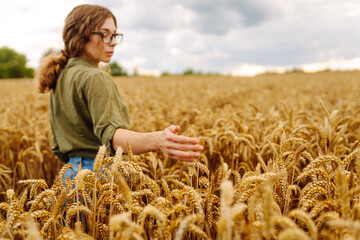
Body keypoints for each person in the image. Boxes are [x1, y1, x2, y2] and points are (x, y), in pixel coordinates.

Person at [35, 4, 203, 178]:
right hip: (98, 175)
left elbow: (58, 143)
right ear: (81, 36)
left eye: (114, 35)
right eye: (105, 34)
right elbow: (114, 137)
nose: (113, 41)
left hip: (69, 175)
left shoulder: (60, 75)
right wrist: (158, 140)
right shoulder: (94, 77)